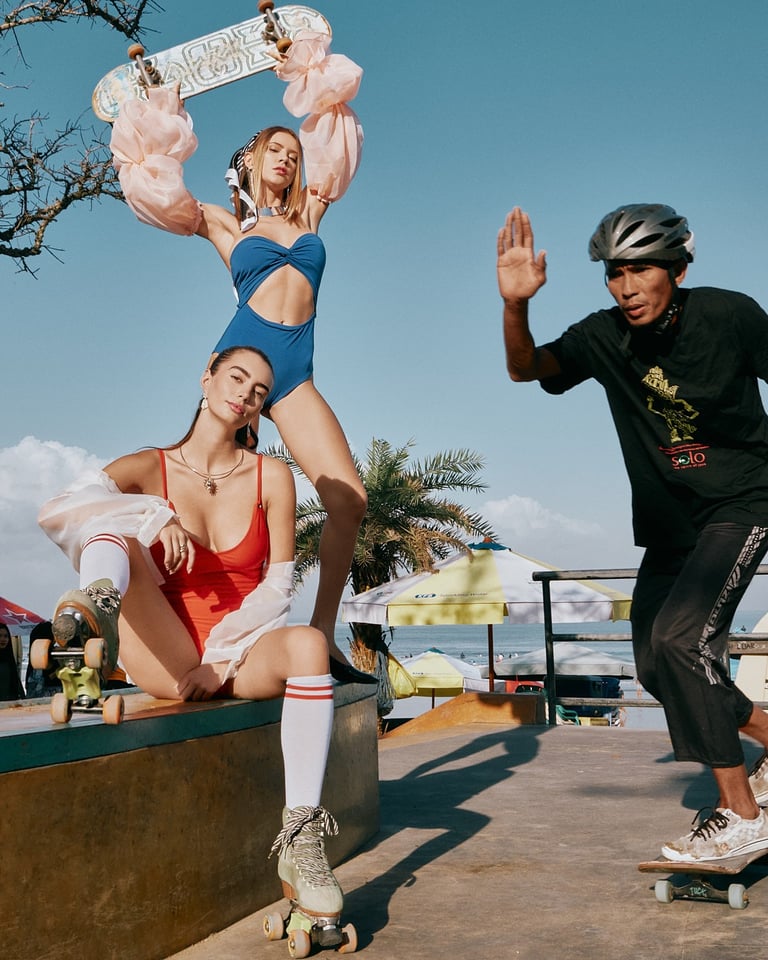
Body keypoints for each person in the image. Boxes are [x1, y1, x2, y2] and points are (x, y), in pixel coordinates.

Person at [39, 345, 347, 928]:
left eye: (259, 390)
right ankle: (98, 611)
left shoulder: (272, 476)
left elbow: (279, 586)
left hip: (241, 649)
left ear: (261, 410)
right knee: (110, 524)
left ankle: (303, 839)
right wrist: (155, 516)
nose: (245, 393)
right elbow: (58, 510)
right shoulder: (149, 467)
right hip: (165, 649)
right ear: (206, 377)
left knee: (308, 643)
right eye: (236, 377)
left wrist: (222, 659)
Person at [497, 203, 768, 861]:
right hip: (672, 530)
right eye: (615, 273)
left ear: (676, 267)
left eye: (640, 269)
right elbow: (526, 367)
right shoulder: (603, 336)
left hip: (741, 501)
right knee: (654, 661)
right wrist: (515, 305)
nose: (625, 287)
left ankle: (744, 813)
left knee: (683, 641)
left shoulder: (730, 316)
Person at [108, 31, 372, 684]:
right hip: (245, 360)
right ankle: (185, 643)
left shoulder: (313, 210)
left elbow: (333, 119)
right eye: (272, 148)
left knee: (349, 500)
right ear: (251, 162)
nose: (286, 155)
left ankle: (319, 635)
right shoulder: (228, 226)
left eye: (292, 149)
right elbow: (155, 186)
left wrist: (300, 64)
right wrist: (151, 104)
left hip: (296, 370)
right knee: (215, 494)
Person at [0, 622, 25, 700]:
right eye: (0, 636)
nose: (3, 639)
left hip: (9, 705)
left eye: (6, 636)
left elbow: (16, 681)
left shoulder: (9, 658)